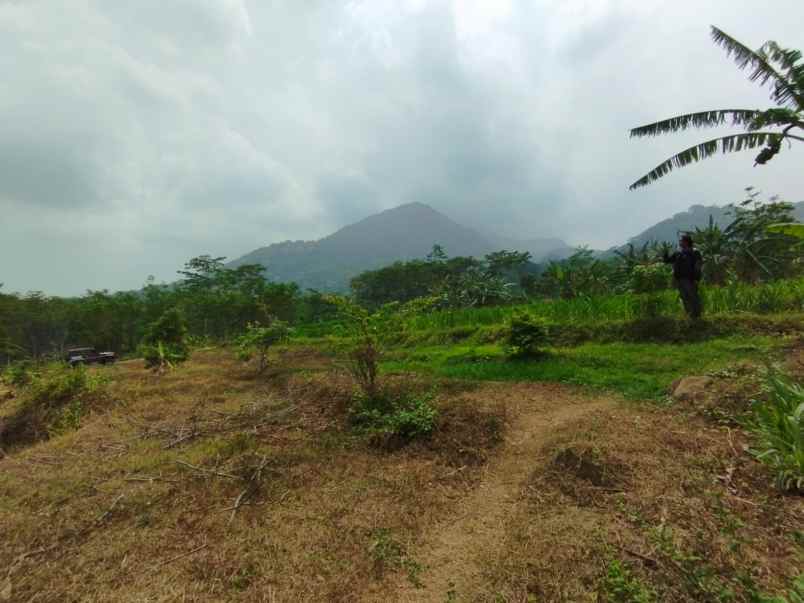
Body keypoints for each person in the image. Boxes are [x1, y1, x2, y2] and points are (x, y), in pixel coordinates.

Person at [663, 234, 703, 319]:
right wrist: (665, 253)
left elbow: (698, 266)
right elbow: (668, 261)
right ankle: (689, 315)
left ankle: (697, 316)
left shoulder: (694, 252)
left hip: (690, 279)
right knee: (684, 297)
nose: (680, 242)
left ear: (686, 242)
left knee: (693, 296)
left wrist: (696, 278)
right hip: (679, 279)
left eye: (681, 240)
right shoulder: (678, 253)